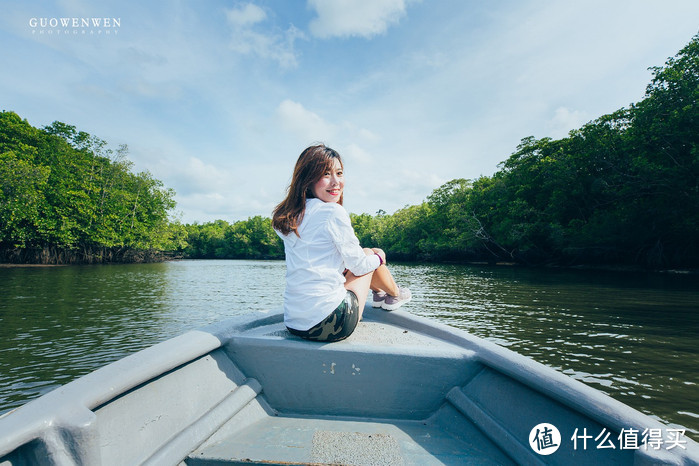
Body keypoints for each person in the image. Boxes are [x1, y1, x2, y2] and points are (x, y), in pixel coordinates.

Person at [272, 144, 411, 342]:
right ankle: (395, 294)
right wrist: (380, 257)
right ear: (307, 179)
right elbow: (360, 266)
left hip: (294, 323)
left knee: (363, 252)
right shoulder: (332, 212)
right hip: (331, 324)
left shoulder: (290, 217)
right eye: (326, 174)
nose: (336, 182)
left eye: (339, 173)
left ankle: (380, 294)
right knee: (370, 254)